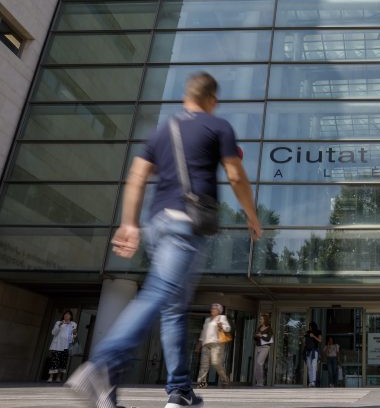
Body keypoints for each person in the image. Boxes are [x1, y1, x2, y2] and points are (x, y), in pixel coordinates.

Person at [66, 72, 262, 408]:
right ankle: (104, 366)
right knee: (161, 292)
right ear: (212, 100)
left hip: (157, 224)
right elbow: (235, 174)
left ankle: (179, 390)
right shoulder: (218, 127)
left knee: (173, 309)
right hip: (185, 225)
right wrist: (251, 215)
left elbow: (137, 176)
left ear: (186, 97)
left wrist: (129, 223)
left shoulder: (162, 131)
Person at [196, 304, 231, 388]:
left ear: (219, 310)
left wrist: (222, 326)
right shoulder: (207, 320)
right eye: (212, 308)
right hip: (206, 344)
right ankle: (202, 383)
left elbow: (228, 328)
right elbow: (203, 332)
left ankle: (224, 379)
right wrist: (199, 343)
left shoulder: (222, 318)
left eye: (215, 308)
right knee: (204, 364)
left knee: (216, 363)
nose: (212, 310)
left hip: (217, 344)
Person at [48, 311, 77, 383]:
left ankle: (58, 377)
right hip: (57, 345)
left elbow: (74, 335)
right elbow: (53, 333)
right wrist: (59, 325)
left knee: (63, 362)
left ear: (71, 316)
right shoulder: (58, 322)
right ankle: (51, 377)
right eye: (65, 314)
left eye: (68, 314)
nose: (66, 316)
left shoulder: (73, 324)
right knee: (54, 361)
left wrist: (74, 333)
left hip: (66, 346)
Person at [253, 314, 273, 387]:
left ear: (265, 320)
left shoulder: (269, 329)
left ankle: (261, 382)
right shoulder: (259, 327)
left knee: (259, 363)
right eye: (260, 319)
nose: (260, 320)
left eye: (261, 319)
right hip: (258, 347)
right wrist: (257, 336)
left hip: (265, 347)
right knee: (256, 365)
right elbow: (255, 337)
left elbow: (268, 339)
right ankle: (258, 382)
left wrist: (261, 336)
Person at [304, 321, 322, 387]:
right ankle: (311, 381)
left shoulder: (318, 332)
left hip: (314, 350)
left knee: (313, 366)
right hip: (308, 351)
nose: (310, 327)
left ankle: (313, 381)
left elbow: (320, 340)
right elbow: (304, 340)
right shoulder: (307, 332)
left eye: (311, 326)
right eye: (309, 326)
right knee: (309, 367)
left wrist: (313, 336)